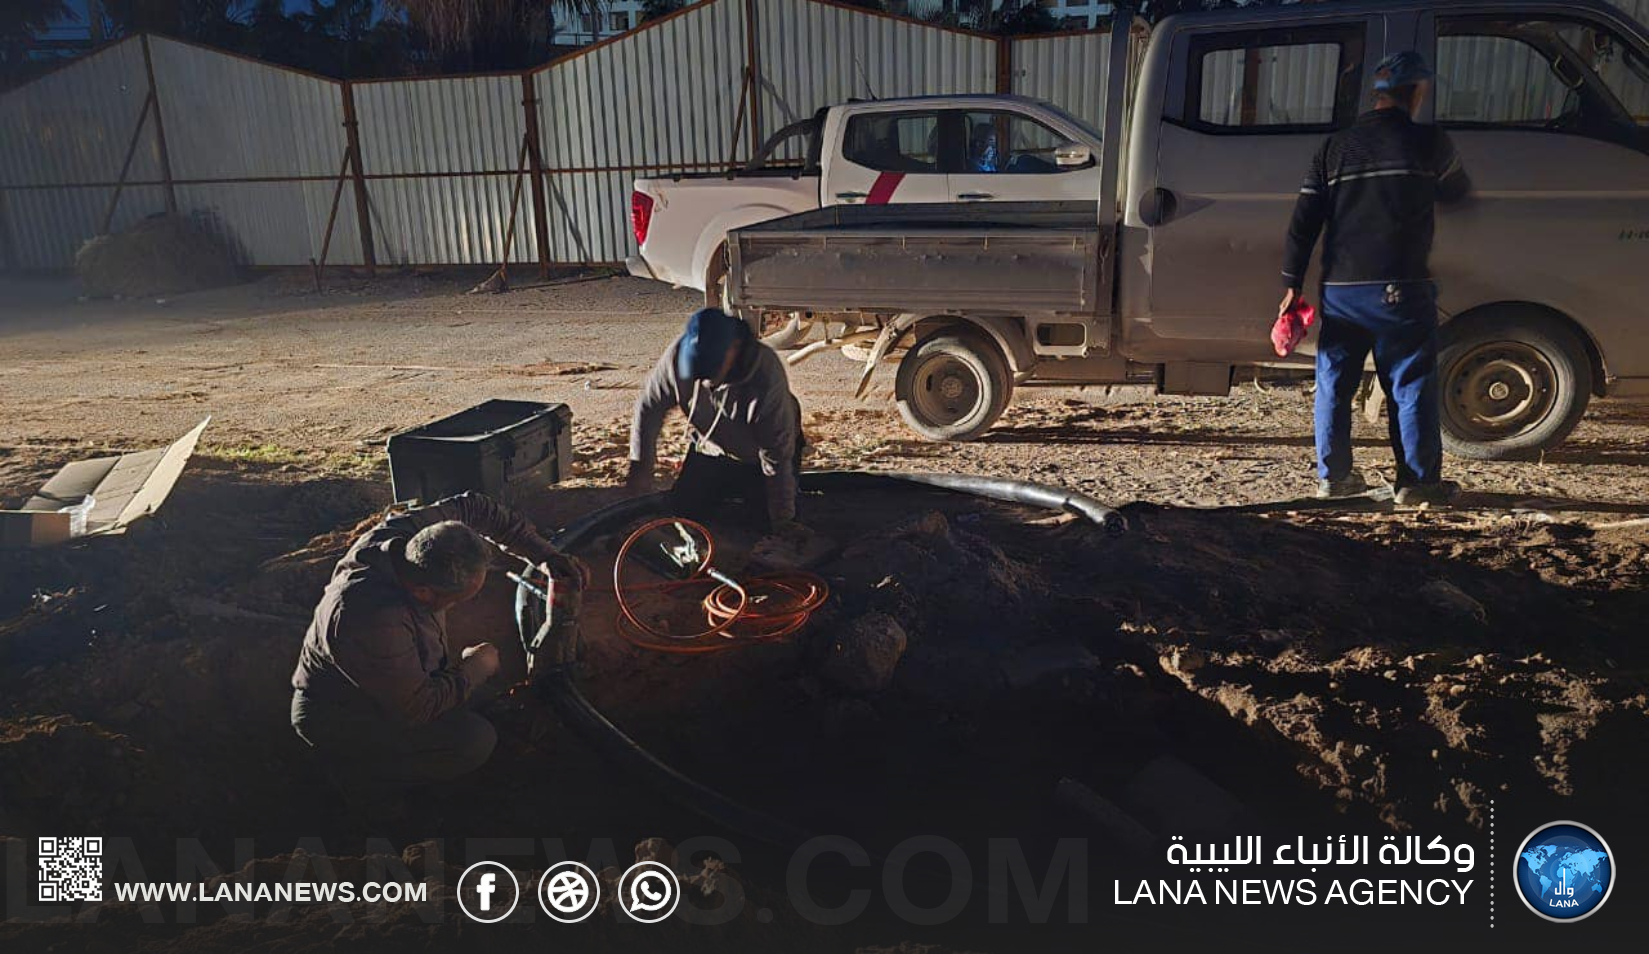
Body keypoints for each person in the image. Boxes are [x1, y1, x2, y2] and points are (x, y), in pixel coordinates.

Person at [290, 492, 584, 797]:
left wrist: (545, 555)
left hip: (396, 680)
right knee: (473, 740)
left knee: (495, 703)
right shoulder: (371, 619)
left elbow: (476, 507)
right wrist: (475, 666)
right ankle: (362, 783)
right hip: (343, 714)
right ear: (424, 593)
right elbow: (416, 708)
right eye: (457, 600)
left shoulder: (411, 538)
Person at [1280, 51, 1471, 505]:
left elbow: (1302, 222)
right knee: (1410, 384)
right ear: (1418, 92)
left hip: (1341, 290)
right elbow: (1457, 191)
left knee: (1334, 384)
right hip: (1400, 287)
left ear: (1376, 93)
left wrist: (1291, 285)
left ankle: (1334, 479)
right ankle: (1418, 483)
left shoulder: (1335, 147)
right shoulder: (1429, 143)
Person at [627, 307, 804, 538]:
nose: (703, 381)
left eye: (710, 372)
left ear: (735, 349)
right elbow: (649, 409)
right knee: (684, 513)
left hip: (759, 457)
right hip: (711, 448)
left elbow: (776, 455)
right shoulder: (677, 355)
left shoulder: (765, 377)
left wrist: (782, 519)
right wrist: (640, 469)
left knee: (761, 524)